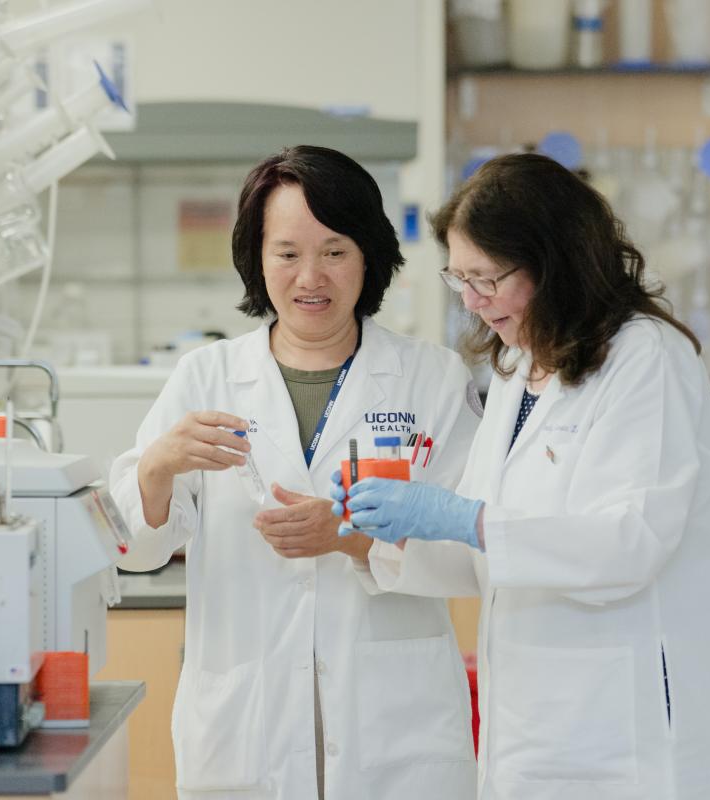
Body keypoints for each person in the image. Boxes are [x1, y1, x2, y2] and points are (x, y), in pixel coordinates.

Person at [331, 153, 710, 799]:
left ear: (552, 263)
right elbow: (490, 551)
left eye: (487, 278)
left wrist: (461, 517)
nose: (472, 300)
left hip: (631, 724)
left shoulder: (646, 359)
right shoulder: (519, 364)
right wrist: (381, 537)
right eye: (459, 278)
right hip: (537, 718)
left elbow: (630, 541)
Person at [109, 145, 481, 800]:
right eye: (287, 254)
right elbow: (138, 549)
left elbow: (471, 554)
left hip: (397, 735)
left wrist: (350, 538)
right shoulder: (207, 378)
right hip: (246, 728)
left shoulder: (431, 380)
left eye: (335, 251)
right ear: (257, 259)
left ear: (370, 255)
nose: (311, 276)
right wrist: (159, 466)